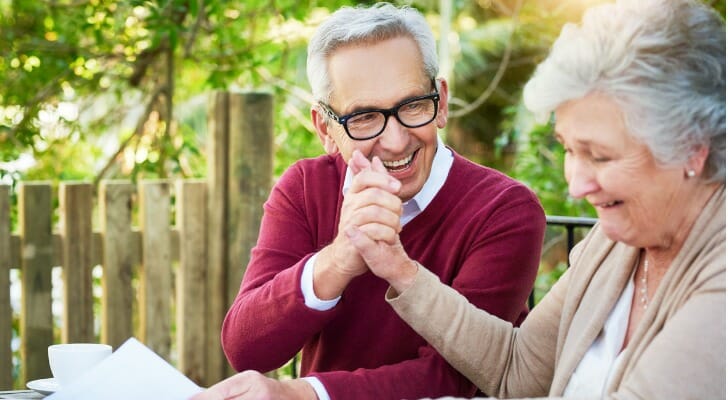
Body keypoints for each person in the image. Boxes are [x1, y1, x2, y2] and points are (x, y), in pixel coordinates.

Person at [344, 0, 726, 398]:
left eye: (599, 155)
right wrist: (398, 266)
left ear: (691, 149)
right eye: (568, 149)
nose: (576, 185)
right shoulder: (616, 243)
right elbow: (517, 369)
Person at [194, 3, 546, 400]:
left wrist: (302, 394)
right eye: (364, 117)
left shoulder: (505, 210)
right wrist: (340, 257)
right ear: (325, 129)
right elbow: (246, 347)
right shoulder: (306, 187)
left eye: (413, 105)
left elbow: (460, 377)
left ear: (442, 102)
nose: (396, 141)